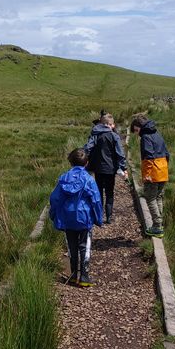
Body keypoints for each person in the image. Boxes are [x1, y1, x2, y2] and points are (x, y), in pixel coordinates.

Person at [49, 148, 104, 287]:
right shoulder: (89, 180)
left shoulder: (63, 178)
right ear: (86, 163)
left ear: (71, 162)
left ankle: (73, 275)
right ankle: (84, 276)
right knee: (85, 245)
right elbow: (96, 200)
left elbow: (55, 198)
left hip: (67, 217)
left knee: (71, 245)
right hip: (84, 217)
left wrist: (53, 214)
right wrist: (98, 218)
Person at [130, 115, 170, 238]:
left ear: (139, 127)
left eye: (136, 130)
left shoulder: (145, 137)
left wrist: (147, 174)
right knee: (158, 197)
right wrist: (164, 167)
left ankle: (157, 226)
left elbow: (148, 157)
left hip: (153, 172)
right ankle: (159, 224)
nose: (137, 134)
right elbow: (167, 154)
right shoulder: (157, 134)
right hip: (163, 170)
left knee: (151, 198)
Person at [84, 113, 127, 223]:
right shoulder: (114, 136)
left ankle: (99, 217)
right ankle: (108, 217)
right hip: (110, 169)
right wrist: (123, 167)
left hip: (98, 168)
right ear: (110, 124)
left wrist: (82, 160)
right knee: (109, 192)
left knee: (98, 192)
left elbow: (88, 148)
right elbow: (120, 154)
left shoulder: (95, 135)